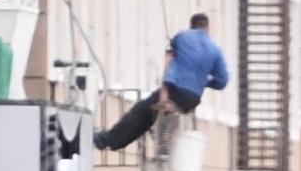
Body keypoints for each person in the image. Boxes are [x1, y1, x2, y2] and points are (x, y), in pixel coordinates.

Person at [93, 9, 230, 152]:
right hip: (192, 99)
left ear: (191, 26)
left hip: (174, 91)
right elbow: (222, 81)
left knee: (140, 111)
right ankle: (117, 142)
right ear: (207, 28)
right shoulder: (216, 49)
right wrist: (202, 81)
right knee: (149, 115)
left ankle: (105, 140)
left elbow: (172, 51)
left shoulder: (183, 36)